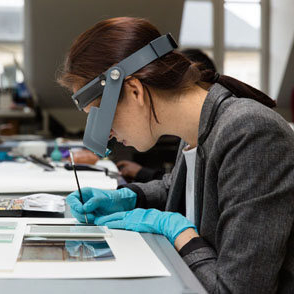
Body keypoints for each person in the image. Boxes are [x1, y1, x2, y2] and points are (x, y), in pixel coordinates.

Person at [58, 17, 294, 293]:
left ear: (134, 90)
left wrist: (178, 232)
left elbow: (237, 289)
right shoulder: (197, 126)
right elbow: (188, 187)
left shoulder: (250, 131)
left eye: (101, 118)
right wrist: (129, 196)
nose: (106, 134)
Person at [117, 48, 217, 183]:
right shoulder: (189, 135)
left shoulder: (238, 127)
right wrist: (136, 194)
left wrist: (142, 174)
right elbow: (178, 187)